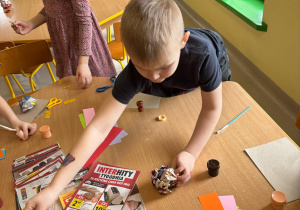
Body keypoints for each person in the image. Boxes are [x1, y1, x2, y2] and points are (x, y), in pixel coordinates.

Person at [24, 0, 231, 209]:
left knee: (219, 94)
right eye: (143, 68)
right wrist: (52, 190)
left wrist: (191, 153)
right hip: (176, 77)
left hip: (213, 55)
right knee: (164, 89)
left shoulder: (204, 55)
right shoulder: (134, 74)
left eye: (164, 67)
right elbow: (98, 127)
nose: (155, 77)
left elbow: (212, 108)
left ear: (183, 40)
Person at [11, 0, 117, 89]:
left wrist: (83, 63)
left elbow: (85, 22)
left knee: (95, 85)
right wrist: (31, 23)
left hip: (83, 46)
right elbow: (52, 7)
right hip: (63, 42)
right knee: (73, 87)